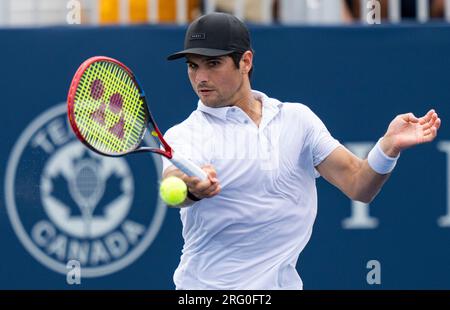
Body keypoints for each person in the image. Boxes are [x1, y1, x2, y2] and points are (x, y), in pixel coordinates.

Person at [162, 12, 441, 290]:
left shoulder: (297, 119)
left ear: (245, 62)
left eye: (213, 64)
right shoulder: (186, 134)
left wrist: (388, 147)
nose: (200, 77)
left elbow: (359, 185)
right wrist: (193, 188)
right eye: (192, 66)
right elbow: (173, 181)